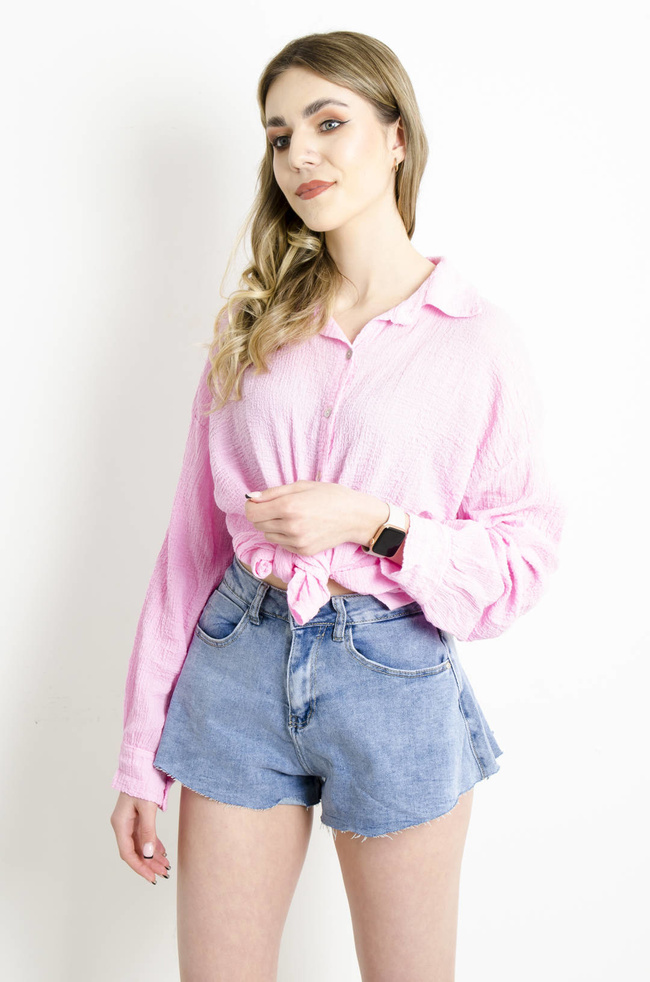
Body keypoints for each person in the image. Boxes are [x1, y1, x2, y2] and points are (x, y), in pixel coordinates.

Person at [110, 30, 566, 981]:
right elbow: (189, 552)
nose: (299, 155)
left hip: (391, 676)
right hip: (236, 666)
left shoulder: (476, 340)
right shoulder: (252, 328)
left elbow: (521, 560)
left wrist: (373, 523)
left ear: (397, 137)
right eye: (280, 135)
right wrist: (139, 754)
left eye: (328, 123)